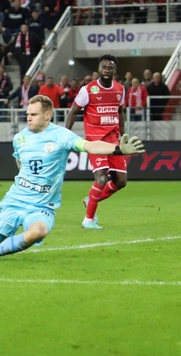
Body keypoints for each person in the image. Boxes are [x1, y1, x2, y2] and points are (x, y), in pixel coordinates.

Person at [0, 95, 145, 261]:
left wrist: (118, 149)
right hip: (13, 202)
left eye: (34, 114)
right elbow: (20, 163)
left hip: (42, 207)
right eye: (27, 114)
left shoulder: (61, 136)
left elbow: (90, 146)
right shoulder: (19, 138)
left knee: (38, 231)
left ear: (47, 115)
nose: (28, 118)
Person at [65, 55, 127, 229]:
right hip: (95, 141)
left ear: (115, 70)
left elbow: (120, 112)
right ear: (99, 69)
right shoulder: (88, 90)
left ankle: (90, 200)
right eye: (104, 67)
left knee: (121, 182)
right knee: (101, 178)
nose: (107, 70)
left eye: (110, 67)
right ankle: (88, 220)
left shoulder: (120, 89)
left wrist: (123, 136)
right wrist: (65, 135)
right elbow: (73, 111)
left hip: (113, 141)